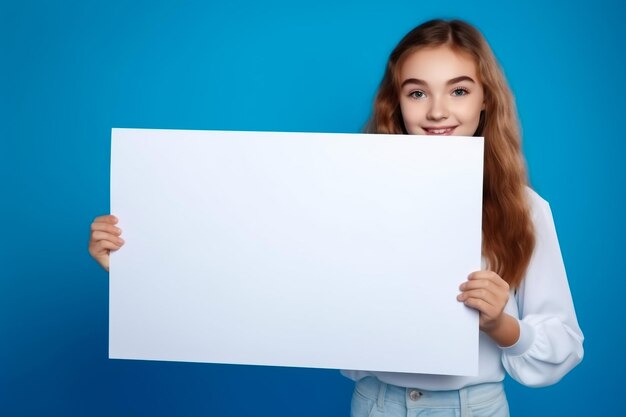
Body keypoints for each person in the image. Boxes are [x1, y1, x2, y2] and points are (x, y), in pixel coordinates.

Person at [89, 18, 584, 417]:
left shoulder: (523, 208)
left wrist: (502, 325)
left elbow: (564, 341)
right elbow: (258, 264)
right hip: (374, 404)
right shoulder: (347, 194)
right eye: (417, 92)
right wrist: (139, 269)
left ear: (485, 101)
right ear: (397, 104)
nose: (437, 111)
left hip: (470, 407)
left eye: (458, 91)